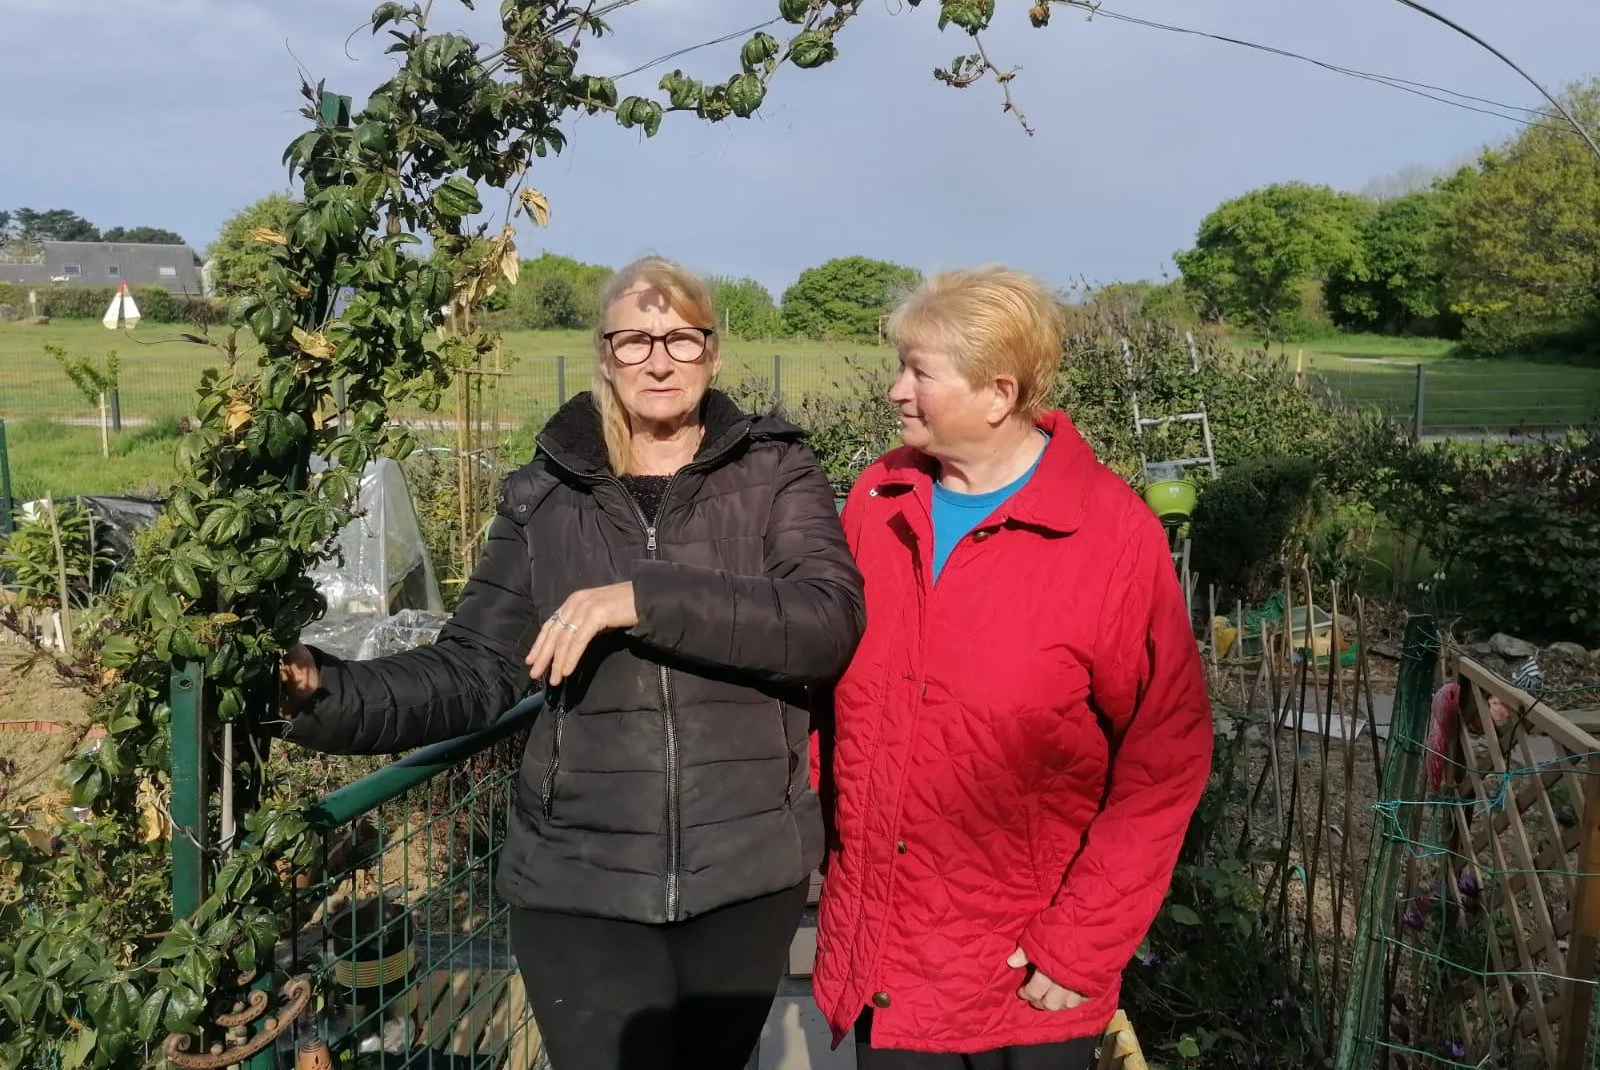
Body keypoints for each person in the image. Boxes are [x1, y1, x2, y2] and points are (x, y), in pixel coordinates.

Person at [280, 256, 865, 1070]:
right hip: (579, 877)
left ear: (713, 354)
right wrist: (323, 691)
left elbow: (824, 624)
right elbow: (475, 670)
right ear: (604, 355)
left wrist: (639, 599)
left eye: (681, 340)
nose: (659, 360)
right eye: (634, 341)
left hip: (743, 871)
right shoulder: (545, 495)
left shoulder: (775, 473)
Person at [810, 266, 1214, 1068]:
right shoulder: (879, 499)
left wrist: (1082, 944)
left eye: (919, 372)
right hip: (883, 963)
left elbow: (1165, 757)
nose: (895, 391)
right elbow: (827, 698)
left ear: (998, 393)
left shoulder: (1110, 535)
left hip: (1026, 979)